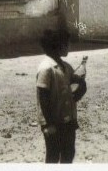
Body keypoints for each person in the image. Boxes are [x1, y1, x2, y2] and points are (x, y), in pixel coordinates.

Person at [36, 28, 87, 164]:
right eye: (67, 44)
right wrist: (48, 124)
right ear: (58, 46)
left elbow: (75, 87)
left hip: (68, 120)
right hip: (54, 121)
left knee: (69, 153)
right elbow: (43, 98)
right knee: (53, 155)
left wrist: (81, 84)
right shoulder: (46, 68)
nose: (69, 47)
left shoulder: (66, 67)